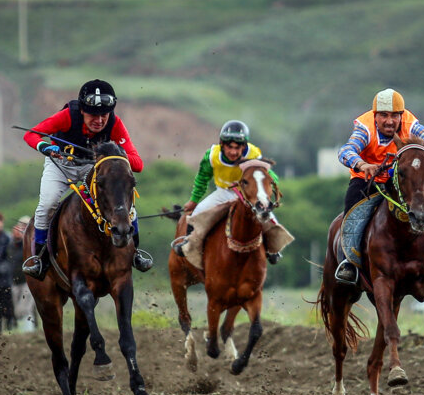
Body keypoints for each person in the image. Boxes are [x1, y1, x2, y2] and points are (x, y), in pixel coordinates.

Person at [21, 79, 152, 279]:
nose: (99, 120)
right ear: (82, 110)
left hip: (90, 169)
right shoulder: (67, 116)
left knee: (123, 201)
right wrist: (45, 147)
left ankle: (134, 253)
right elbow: (31, 135)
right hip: (60, 167)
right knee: (47, 205)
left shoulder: (115, 123)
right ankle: (39, 258)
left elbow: (138, 164)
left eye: (104, 115)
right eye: (93, 115)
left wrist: (114, 154)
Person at [335, 88, 424, 284]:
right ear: (375, 116)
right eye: (384, 115)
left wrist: (422, 155)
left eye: (395, 116)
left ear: (401, 115)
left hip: (399, 178)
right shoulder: (365, 128)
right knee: (352, 204)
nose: (390, 121)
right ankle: (349, 262)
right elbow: (345, 151)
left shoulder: (410, 123)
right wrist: (363, 164)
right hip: (366, 179)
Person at [171, 120, 283, 264]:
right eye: (229, 147)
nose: (233, 152)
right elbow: (202, 178)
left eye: (238, 148)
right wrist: (194, 200)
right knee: (197, 213)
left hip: (246, 195)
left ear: (245, 146)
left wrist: (270, 186)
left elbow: (267, 175)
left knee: (270, 218)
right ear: (222, 144)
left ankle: (273, 250)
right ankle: (189, 243)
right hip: (222, 193)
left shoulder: (253, 153)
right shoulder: (212, 156)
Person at [8, 216, 37, 331]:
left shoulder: (30, 243)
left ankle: (29, 331)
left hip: (27, 280)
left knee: (24, 309)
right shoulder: (10, 246)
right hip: (15, 281)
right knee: (18, 310)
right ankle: (25, 332)